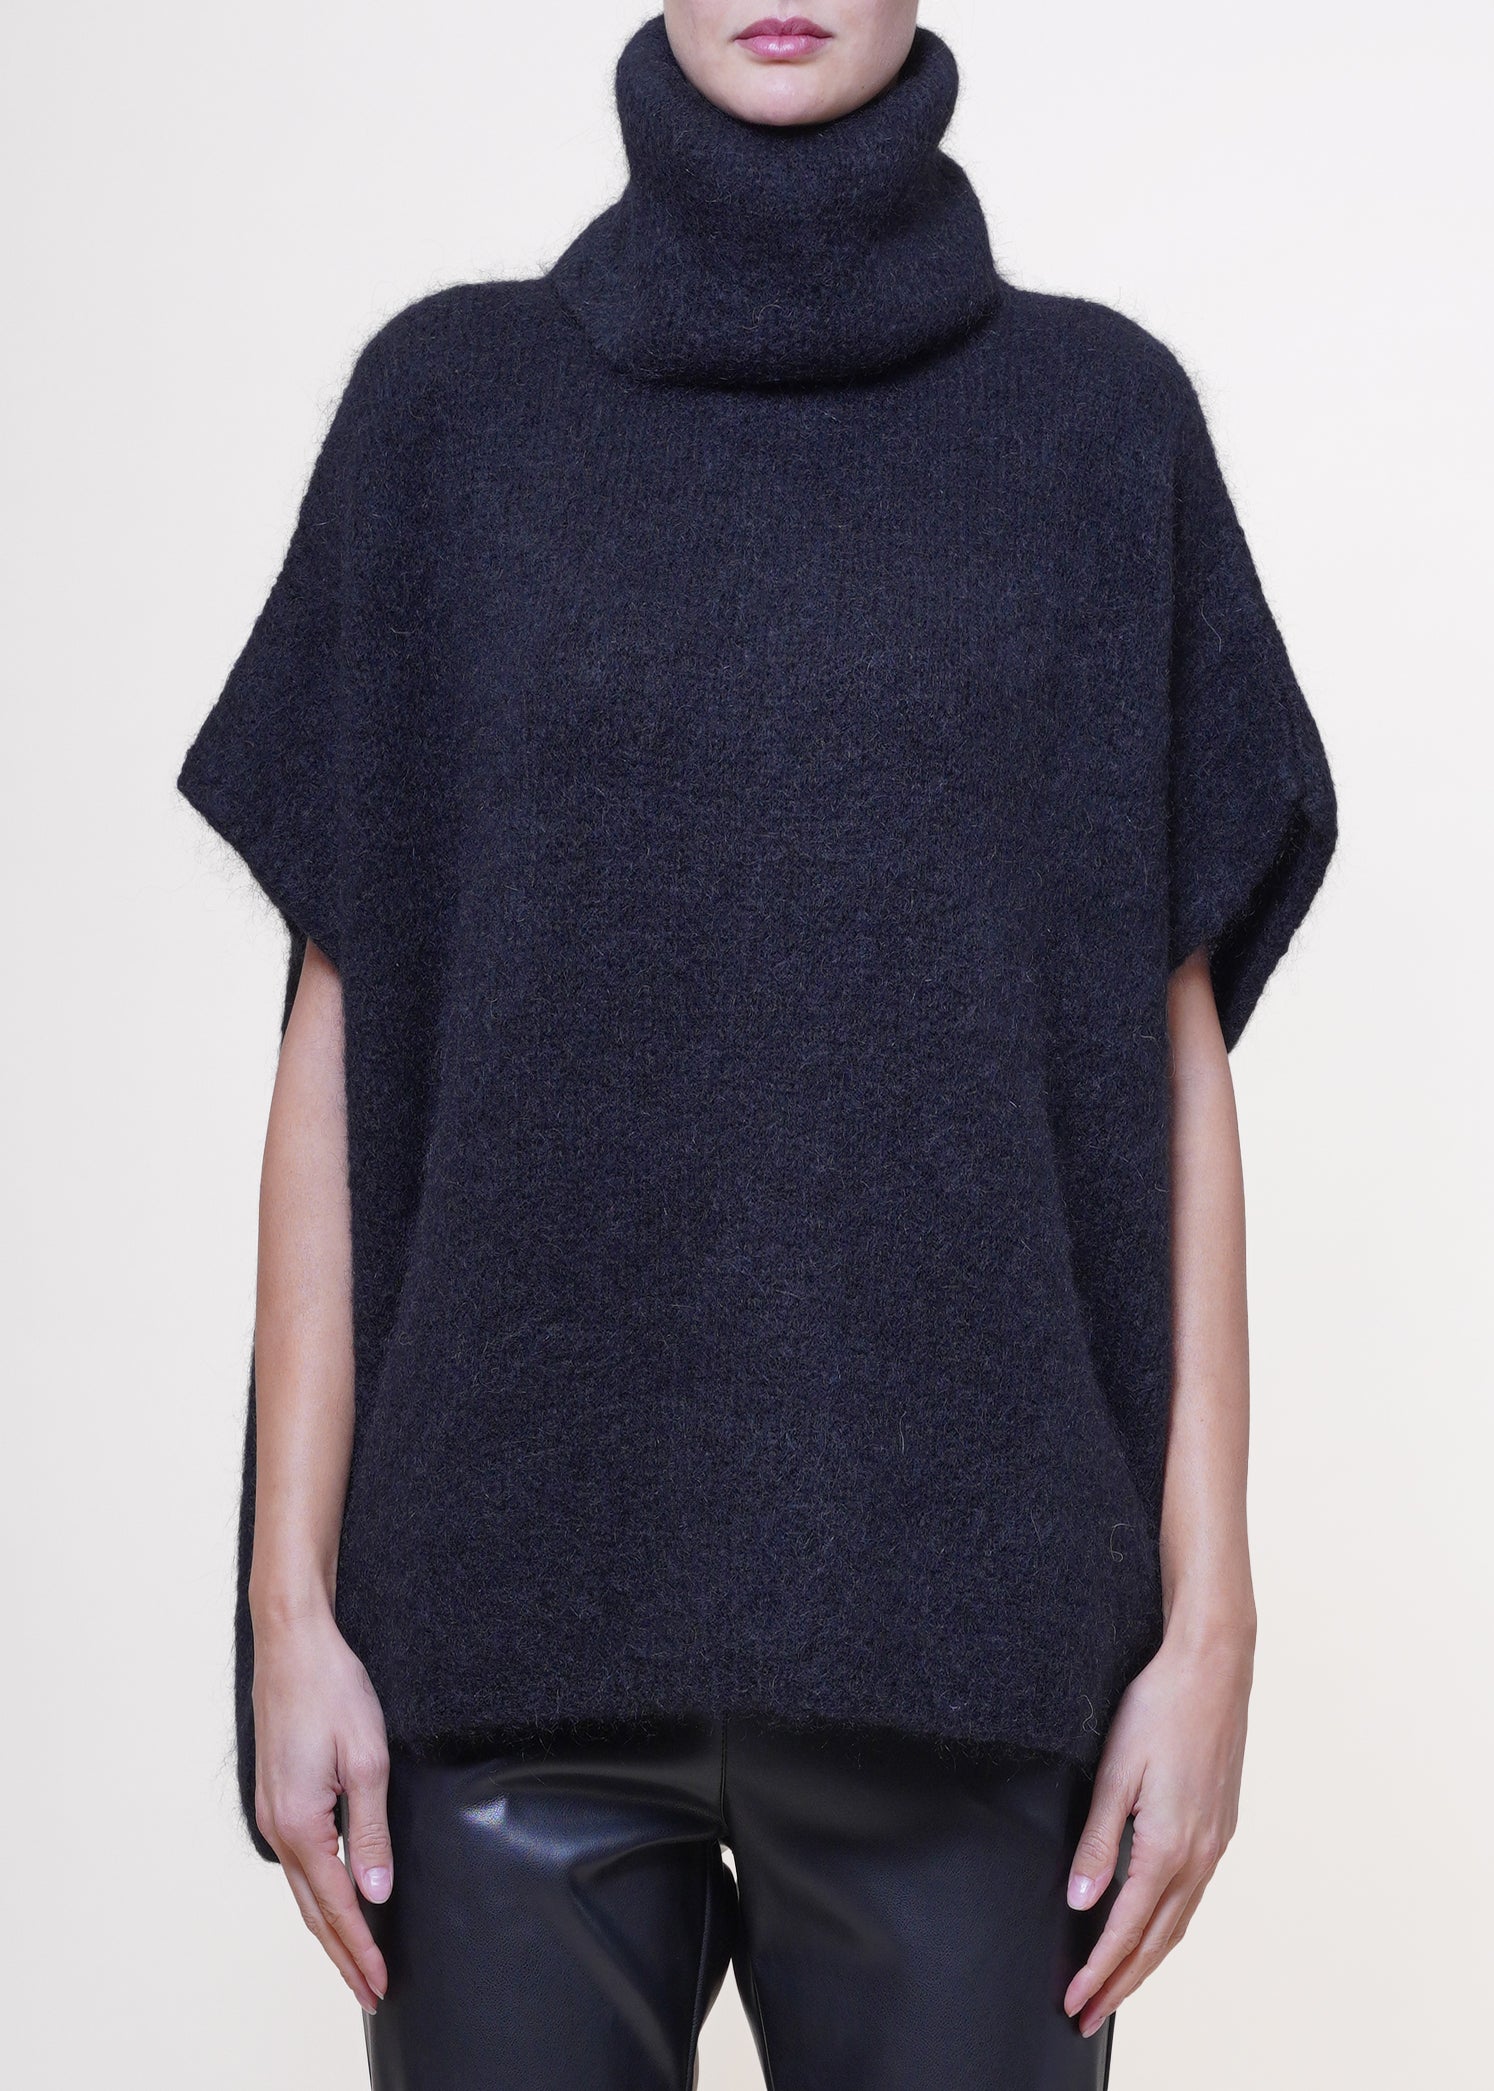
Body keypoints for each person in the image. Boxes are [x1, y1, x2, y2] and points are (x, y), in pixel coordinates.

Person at [176, 5, 1338, 2086]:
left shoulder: (1099, 431)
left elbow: (1172, 1071)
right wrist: (283, 1607)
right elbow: (337, 1051)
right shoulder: (446, 416)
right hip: (498, 1626)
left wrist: (1212, 1624)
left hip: (973, 1631)